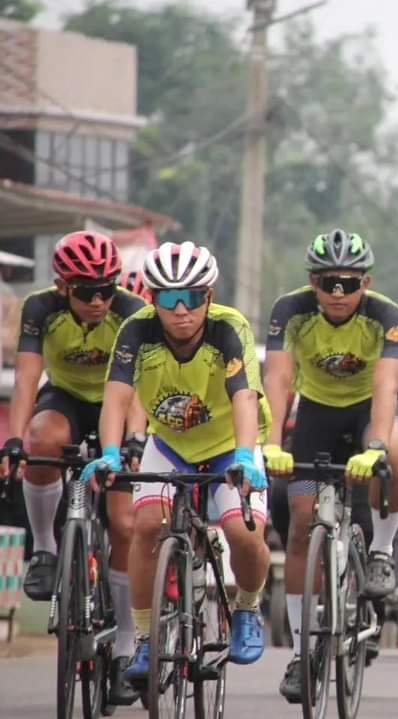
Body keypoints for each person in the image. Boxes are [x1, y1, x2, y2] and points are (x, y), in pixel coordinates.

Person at [79, 240, 272, 684]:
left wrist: (244, 455)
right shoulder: (135, 331)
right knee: (146, 527)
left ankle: (246, 608)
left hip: (229, 443)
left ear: (210, 295)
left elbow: (244, 395)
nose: (181, 310)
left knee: (244, 534)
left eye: (193, 297)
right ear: (152, 298)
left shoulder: (229, 328)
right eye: (168, 298)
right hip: (169, 445)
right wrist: (110, 452)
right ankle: (146, 640)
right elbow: (116, 398)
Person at [259, 228, 398, 701]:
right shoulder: (291, 311)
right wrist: (269, 442)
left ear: (367, 281)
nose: (338, 293)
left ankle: (381, 550)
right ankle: (303, 651)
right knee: (303, 521)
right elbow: (278, 380)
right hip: (318, 415)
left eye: (348, 282)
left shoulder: (386, 315)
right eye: (328, 283)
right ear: (312, 282)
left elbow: (387, 386)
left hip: (369, 411)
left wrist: (377, 446)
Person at [0, 231, 145, 703]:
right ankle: (43, 548)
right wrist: (16, 441)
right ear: (64, 286)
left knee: (124, 523)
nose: (100, 300)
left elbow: (141, 385)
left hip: (119, 405)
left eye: (108, 288)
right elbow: (25, 377)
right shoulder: (40, 308)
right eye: (88, 291)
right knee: (42, 442)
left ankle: (126, 647)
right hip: (65, 398)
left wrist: (136, 440)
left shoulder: (129, 310)